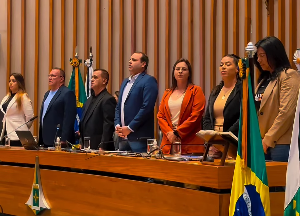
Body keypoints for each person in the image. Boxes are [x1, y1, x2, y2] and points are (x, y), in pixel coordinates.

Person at [254, 36, 300, 162]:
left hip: (280, 143)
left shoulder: (289, 76)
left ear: (274, 54)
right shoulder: (264, 79)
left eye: (262, 55)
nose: (259, 60)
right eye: (257, 56)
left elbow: (286, 113)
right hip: (261, 142)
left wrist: (268, 139)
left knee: (279, 181)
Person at [157, 58, 206, 154]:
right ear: (173, 72)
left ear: (189, 73)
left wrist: (177, 133)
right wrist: (169, 133)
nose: (180, 71)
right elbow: (160, 116)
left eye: (184, 69)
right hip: (168, 142)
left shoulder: (196, 90)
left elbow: (196, 115)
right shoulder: (167, 93)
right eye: (177, 69)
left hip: (189, 141)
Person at [115, 52, 158, 153]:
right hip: (122, 137)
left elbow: (147, 107)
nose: (130, 62)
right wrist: (117, 125)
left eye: (134, 60)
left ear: (143, 64)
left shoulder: (149, 80)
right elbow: (119, 106)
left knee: (139, 168)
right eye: (130, 59)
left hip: (139, 137)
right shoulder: (125, 81)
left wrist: (130, 128)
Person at [203, 54, 242, 158]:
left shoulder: (242, 89)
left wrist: (225, 139)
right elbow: (207, 118)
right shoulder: (216, 90)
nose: (223, 67)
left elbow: (243, 117)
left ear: (237, 69)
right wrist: (213, 140)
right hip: (213, 144)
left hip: (233, 143)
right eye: (221, 65)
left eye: (228, 64)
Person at [79, 69, 116, 150]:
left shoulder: (108, 99)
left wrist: (103, 146)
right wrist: (81, 142)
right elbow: (84, 123)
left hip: (99, 147)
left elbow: (108, 125)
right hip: (86, 146)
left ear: (104, 81)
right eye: (92, 77)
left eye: (95, 77)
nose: (92, 80)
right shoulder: (89, 100)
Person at [39, 68, 77, 147]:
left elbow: (69, 118)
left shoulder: (67, 93)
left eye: (53, 76)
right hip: (46, 139)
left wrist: (64, 139)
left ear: (61, 79)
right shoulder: (47, 94)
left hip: (59, 140)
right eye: (49, 76)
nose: (50, 78)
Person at [0, 73, 34, 146]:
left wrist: (22, 127)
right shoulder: (6, 97)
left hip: (18, 134)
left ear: (19, 83)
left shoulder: (23, 97)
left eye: (14, 81)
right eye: (10, 81)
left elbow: (30, 117)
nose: (11, 83)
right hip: (5, 132)